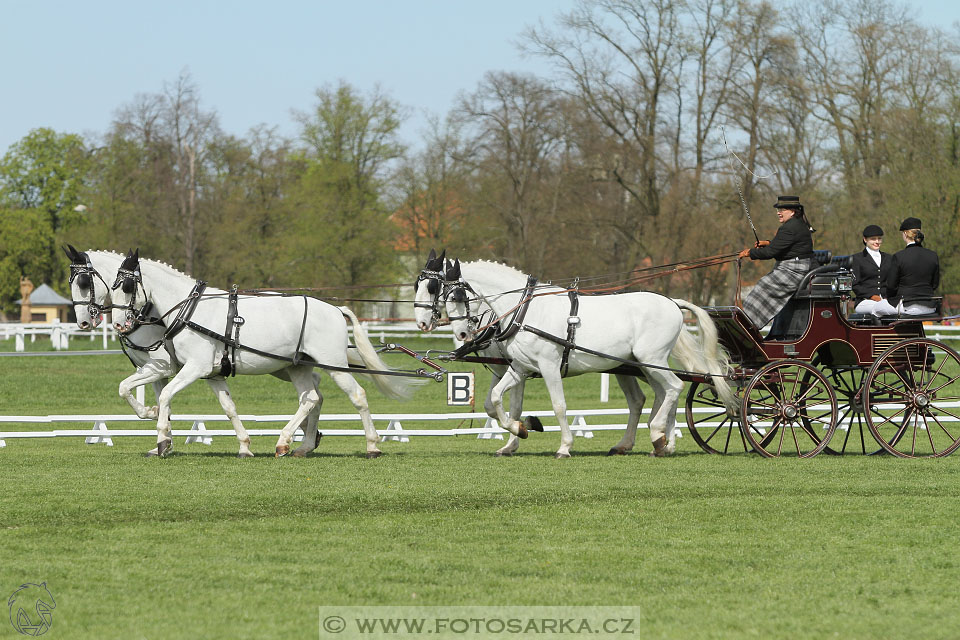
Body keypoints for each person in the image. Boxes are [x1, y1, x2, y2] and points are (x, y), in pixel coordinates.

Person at [739, 195, 817, 330]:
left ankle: (748, 324)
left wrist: (750, 253)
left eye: (782, 210)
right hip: (793, 266)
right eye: (778, 209)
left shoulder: (789, 227)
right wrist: (768, 243)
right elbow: (785, 245)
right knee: (764, 284)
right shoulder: (796, 224)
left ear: (792, 212)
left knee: (764, 285)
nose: (778, 213)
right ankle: (749, 322)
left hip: (795, 269)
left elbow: (771, 253)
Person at [885, 217, 940, 315]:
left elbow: (891, 286)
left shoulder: (899, 256)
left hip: (906, 305)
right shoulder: (933, 255)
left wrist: (890, 298)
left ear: (905, 234)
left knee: (875, 309)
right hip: (930, 306)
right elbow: (934, 284)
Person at [850, 224, 896, 315]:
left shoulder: (889, 258)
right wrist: (872, 296)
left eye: (879, 239)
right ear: (865, 239)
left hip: (886, 300)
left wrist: (888, 296)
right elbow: (855, 285)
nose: (877, 241)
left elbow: (892, 281)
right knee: (882, 308)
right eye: (873, 239)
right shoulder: (857, 259)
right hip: (864, 301)